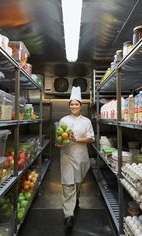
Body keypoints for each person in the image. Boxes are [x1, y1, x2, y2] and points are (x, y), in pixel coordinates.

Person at [56, 86, 95, 229]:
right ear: (69, 106)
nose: (73, 106)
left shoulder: (86, 121)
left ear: (81, 106)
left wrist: (76, 140)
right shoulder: (63, 120)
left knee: (77, 182)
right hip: (66, 156)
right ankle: (68, 215)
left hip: (81, 156)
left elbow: (91, 138)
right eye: (71, 104)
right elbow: (58, 140)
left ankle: (76, 199)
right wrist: (59, 144)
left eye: (76, 104)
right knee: (67, 184)